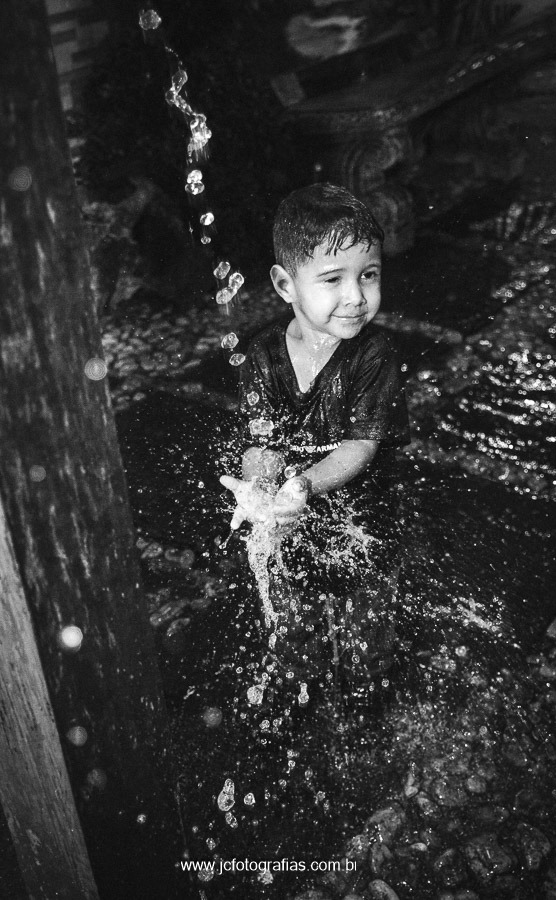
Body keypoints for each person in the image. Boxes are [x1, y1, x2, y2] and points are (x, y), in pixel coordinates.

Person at [220, 183, 410, 705]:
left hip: (366, 522)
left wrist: (302, 484)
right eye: (333, 279)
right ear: (286, 285)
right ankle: (300, 691)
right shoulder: (262, 356)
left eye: (368, 275)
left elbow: (358, 448)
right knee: (293, 624)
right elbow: (263, 440)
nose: (355, 296)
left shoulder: (374, 355)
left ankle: (366, 703)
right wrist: (257, 488)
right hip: (297, 520)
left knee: (366, 632)